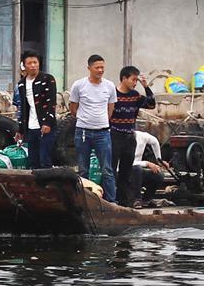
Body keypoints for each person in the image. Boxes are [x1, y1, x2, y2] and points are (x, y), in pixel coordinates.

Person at [66, 54, 119, 202]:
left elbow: (111, 108)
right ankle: (84, 201)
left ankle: (112, 202)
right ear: (89, 68)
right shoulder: (79, 85)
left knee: (107, 170)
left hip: (103, 133)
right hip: (83, 131)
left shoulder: (109, 86)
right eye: (97, 67)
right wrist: (85, 119)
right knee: (83, 169)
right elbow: (73, 108)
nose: (100, 70)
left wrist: (102, 120)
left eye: (102, 67)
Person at [110, 65, 158, 206]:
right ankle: (111, 199)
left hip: (130, 137)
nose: (135, 83)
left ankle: (124, 200)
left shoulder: (135, 95)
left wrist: (146, 86)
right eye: (133, 79)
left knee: (126, 170)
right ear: (124, 79)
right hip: (114, 135)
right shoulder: (113, 94)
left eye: (136, 80)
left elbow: (151, 104)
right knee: (111, 169)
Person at [11, 50, 57, 167]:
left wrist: (47, 123)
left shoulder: (48, 79)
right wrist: (20, 129)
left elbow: (51, 102)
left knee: (45, 160)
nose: (33, 66)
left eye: (35, 62)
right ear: (24, 65)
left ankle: (47, 185)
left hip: (45, 127)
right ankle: (35, 185)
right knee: (33, 161)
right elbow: (23, 107)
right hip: (31, 128)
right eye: (29, 63)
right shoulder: (22, 84)